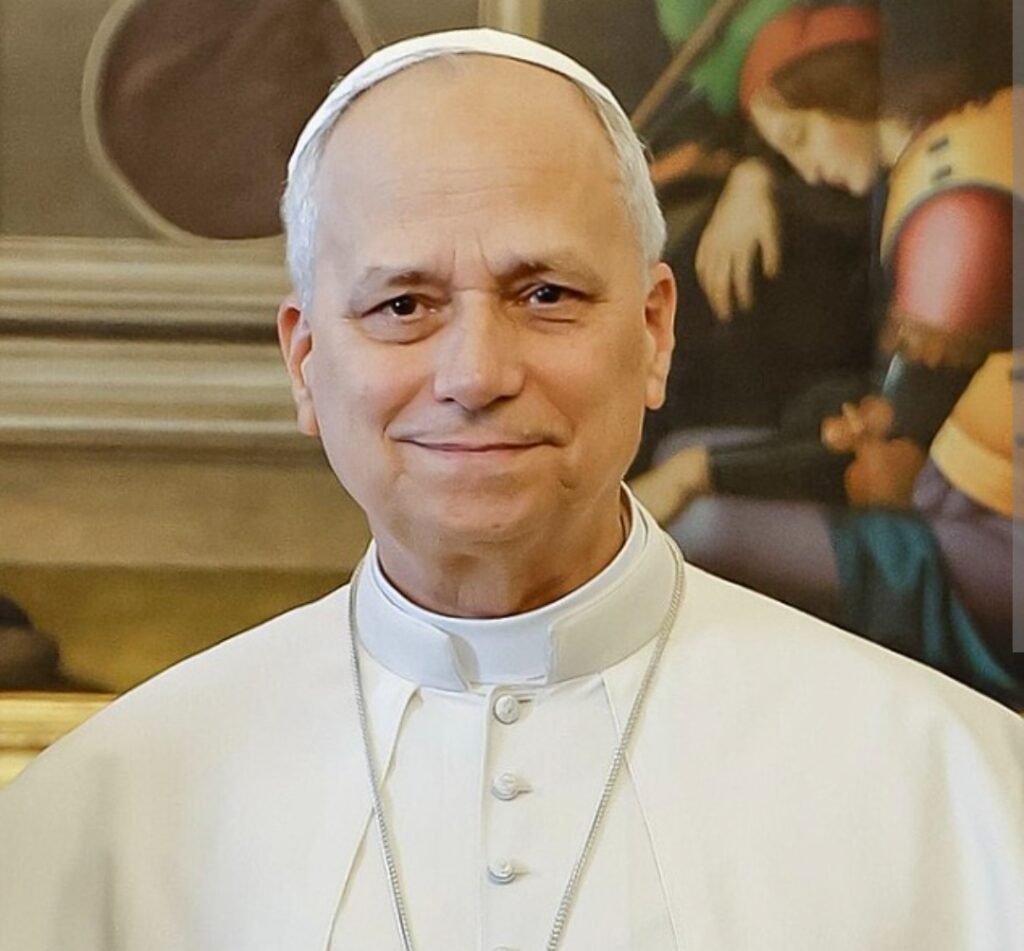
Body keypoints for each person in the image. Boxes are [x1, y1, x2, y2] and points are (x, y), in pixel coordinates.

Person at [1, 28, 1022, 951]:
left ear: (653, 333)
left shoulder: (955, 787)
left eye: (545, 293)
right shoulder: (98, 817)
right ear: (306, 361)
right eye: (403, 305)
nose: (476, 374)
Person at [633, 2, 1021, 705]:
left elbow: (886, 469)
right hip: (948, 484)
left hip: (995, 537)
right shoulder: (937, 153)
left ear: (846, 87)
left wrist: (700, 473)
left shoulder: (956, 213)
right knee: (681, 457)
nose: (804, 165)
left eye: (801, 136)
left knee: (694, 521)